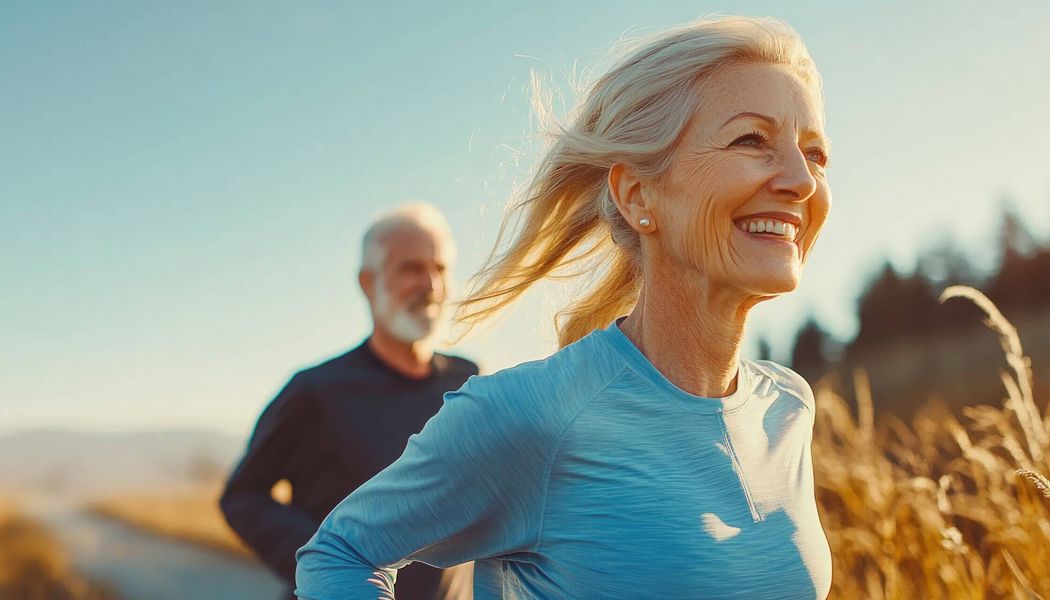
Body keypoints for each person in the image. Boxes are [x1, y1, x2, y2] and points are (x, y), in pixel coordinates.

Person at [296, 15, 833, 599]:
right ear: (638, 195)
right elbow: (340, 554)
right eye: (752, 140)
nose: (802, 180)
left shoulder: (788, 406)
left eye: (815, 153)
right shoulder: (536, 416)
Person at [221, 203, 479, 600]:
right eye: (411, 268)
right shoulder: (316, 390)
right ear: (367, 281)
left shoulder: (469, 380)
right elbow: (243, 497)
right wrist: (331, 566)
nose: (431, 285)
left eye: (440, 268)